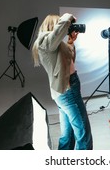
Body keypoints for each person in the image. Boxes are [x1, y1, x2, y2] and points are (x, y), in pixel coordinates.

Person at [32, 13, 93, 150]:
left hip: (64, 90)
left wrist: (71, 41)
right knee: (83, 133)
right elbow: (61, 28)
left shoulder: (52, 45)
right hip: (68, 91)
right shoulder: (44, 42)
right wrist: (68, 17)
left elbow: (67, 60)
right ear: (54, 26)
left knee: (68, 134)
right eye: (60, 24)